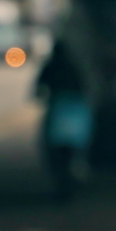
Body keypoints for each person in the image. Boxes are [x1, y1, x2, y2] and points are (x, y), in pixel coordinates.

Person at [35, 36, 94, 201]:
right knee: (78, 150)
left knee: (53, 151)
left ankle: (64, 182)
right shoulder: (73, 68)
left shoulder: (50, 67)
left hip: (58, 111)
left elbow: (37, 90)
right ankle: (76, 176)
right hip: (75, 114)